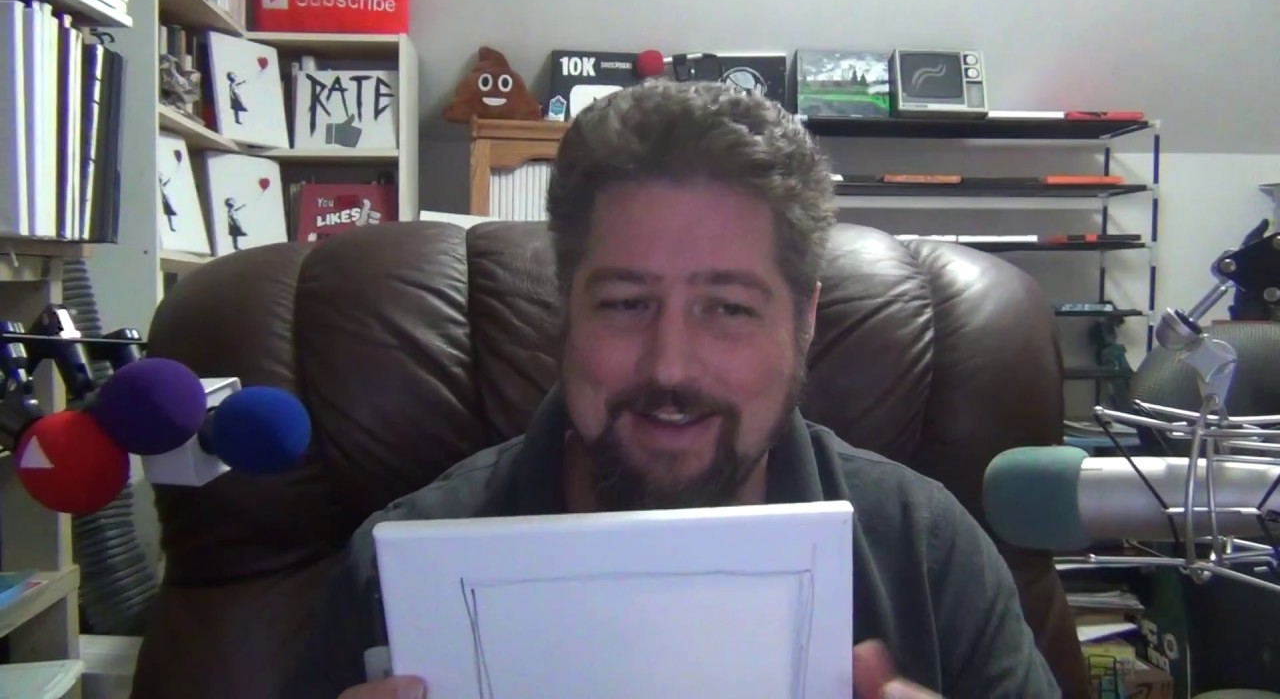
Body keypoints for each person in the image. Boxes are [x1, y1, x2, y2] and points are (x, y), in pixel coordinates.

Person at [283, 79, 1061, 699]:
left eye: (728, 308)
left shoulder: (928, 555)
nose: (670, 369)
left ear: (804, 320)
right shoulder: (391, 577)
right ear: (566, 310)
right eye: (626, 304)